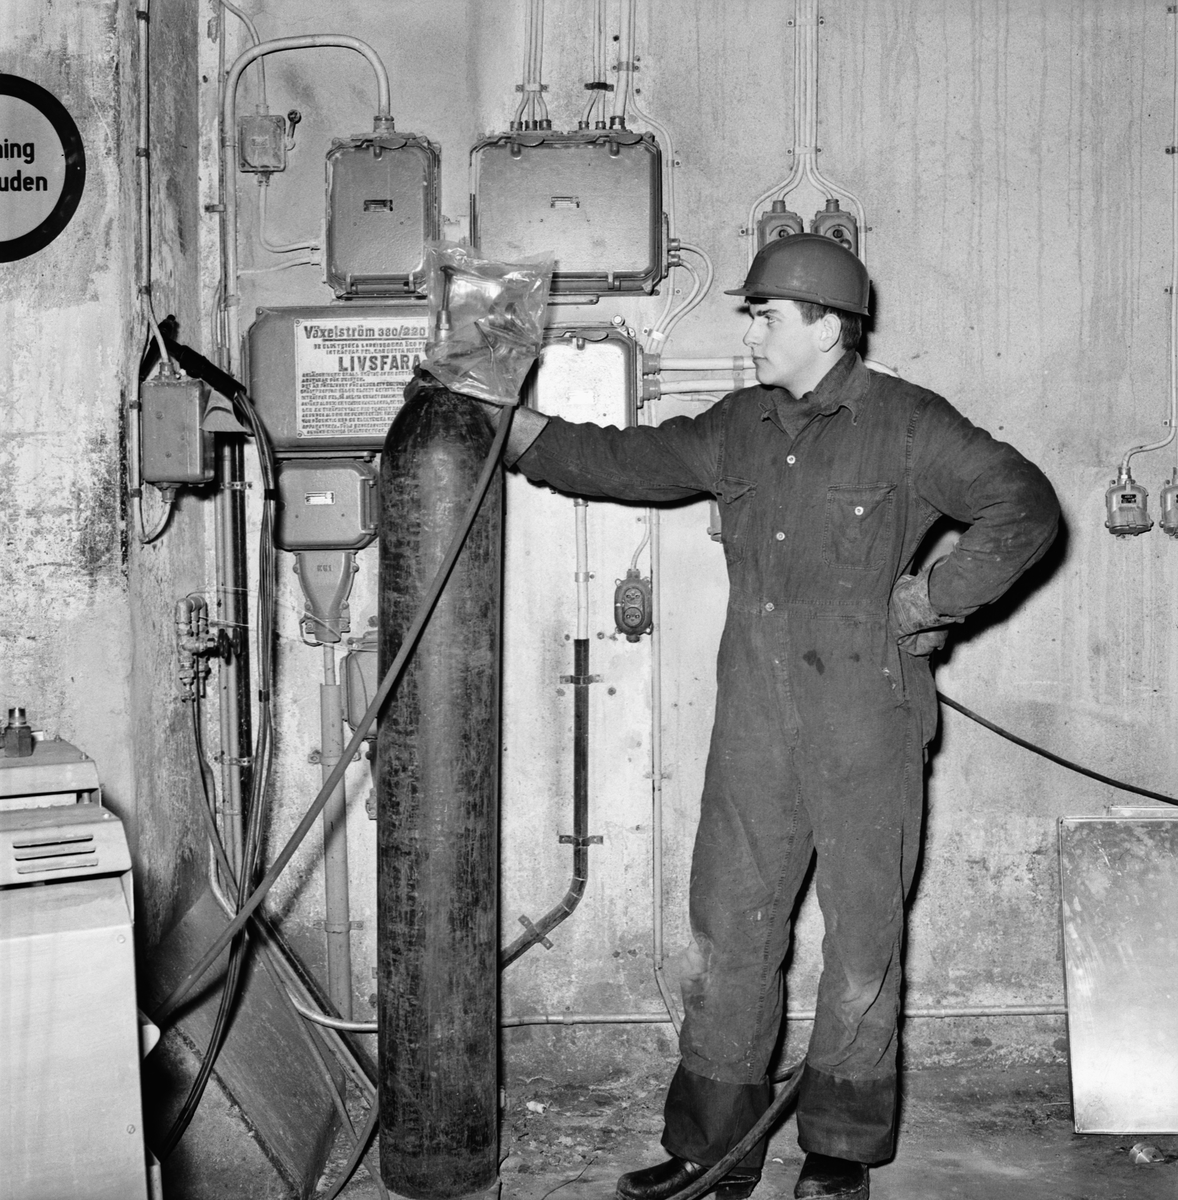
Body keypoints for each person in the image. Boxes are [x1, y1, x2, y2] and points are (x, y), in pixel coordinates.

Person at [497, 234, 1060, 1200]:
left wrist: (930, 600)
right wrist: (510, 429)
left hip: (866, 719)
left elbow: (1026, 505)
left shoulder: (908, 424)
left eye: (765, 317)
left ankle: (839, 1149)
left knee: (862, 938)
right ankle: (713, 1147)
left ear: (827, 327)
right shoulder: (740, 426)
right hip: (754, 718)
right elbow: (624, 459)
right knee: (730, 927)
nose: (750, 334)